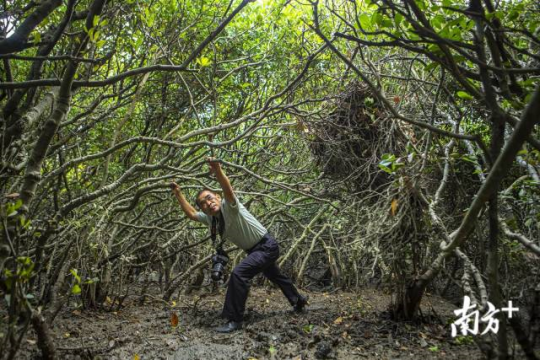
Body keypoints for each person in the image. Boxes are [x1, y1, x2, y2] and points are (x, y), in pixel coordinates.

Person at [170, 157, 308, 333]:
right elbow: (191, 213)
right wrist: (178, 194)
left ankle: (234, 320)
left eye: (210, 198)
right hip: (255, 250)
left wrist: (218, 169)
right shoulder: (211, 220)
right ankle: (298, 301)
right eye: (203, 204)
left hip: (266, 245)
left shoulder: (229, 206)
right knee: (275, 275)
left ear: (218, 197)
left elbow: (227, 189)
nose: (208, 203)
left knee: (239, 274)